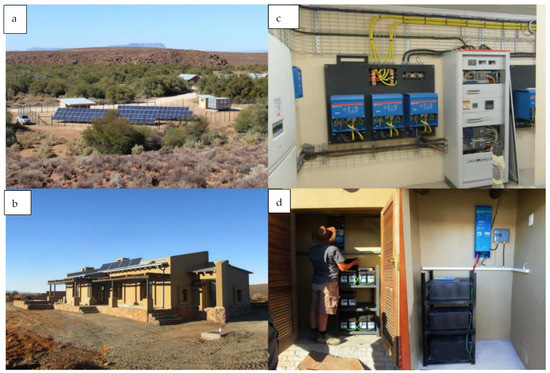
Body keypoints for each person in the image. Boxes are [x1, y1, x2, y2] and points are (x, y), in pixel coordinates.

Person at [309, 225, 360, 344]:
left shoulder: (312, 250)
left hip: (315, 282)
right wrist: (354, 262)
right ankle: (322, 336)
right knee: (324, 310)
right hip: (329, 284)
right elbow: (342, 267)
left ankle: (313, 333)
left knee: (313, 308)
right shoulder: (333, 250)